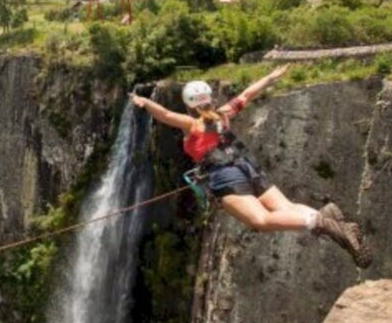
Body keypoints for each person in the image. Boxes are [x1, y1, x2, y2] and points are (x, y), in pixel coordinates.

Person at [129, 66, 370, 268]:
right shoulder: (223, 114)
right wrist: (270, 78)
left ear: (188, 104)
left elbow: (165, 114)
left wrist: (143, 102)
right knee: (285, 206)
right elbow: (247, 95)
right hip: (248, 165)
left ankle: (322, 222)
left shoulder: (192, 124)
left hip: (225, 175)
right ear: (210, 98)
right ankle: (330, 218)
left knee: (261, 221)